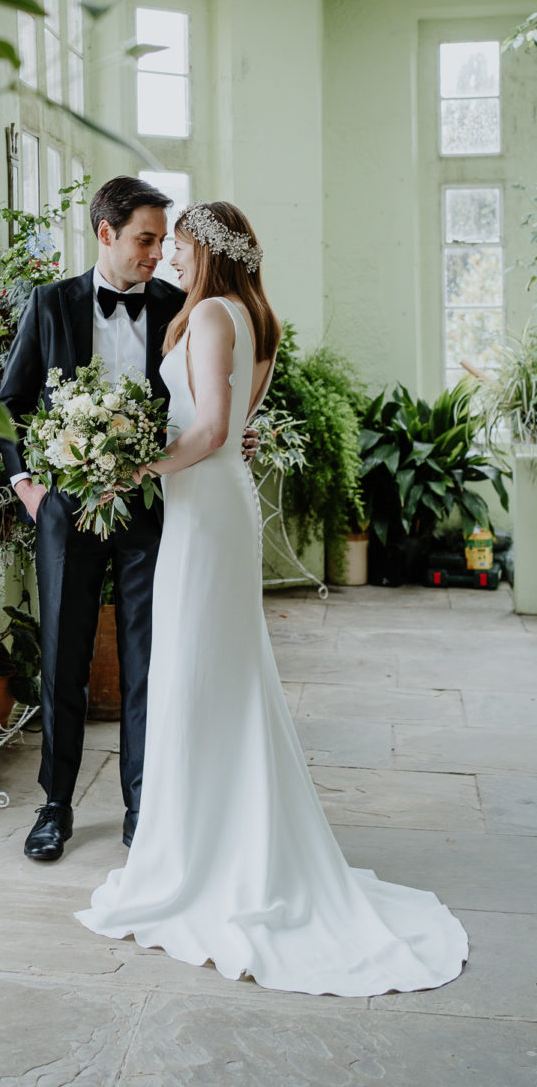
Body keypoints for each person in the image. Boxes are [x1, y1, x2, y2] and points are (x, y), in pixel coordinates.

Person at [75, 202, 469, 996]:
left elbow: (215, 430)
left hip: (207, 508)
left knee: (199, 678)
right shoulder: (249, 313)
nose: (173, 260)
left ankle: (209, 859)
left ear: (208, 252)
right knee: (212, 677)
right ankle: (209, 838)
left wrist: (134, 467)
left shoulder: (215, 315)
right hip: (212, 506)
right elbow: (235, 426)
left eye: (180, 247)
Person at [0, 176, 183, 861]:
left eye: (162, 240)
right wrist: (27, 487)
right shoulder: (50, 305)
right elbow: (9, 399)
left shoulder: (177, 306)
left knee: (144, 661)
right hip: (65, 511)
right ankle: (54, 806)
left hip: (150, 508)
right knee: (62, 659)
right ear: (106, 234)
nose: (157, 254)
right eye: (145, 239)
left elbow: (200, 401)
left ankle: (142, 805)